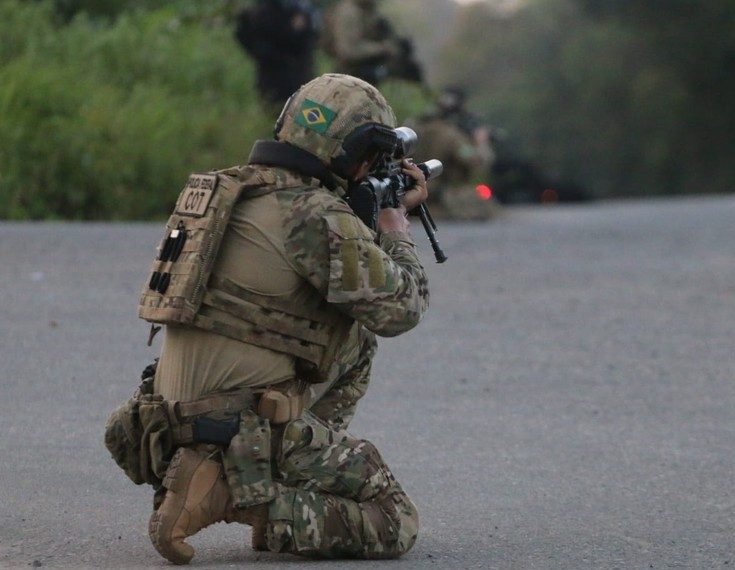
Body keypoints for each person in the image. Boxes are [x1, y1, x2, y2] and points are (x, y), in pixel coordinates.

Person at [106, 74, 430, 564]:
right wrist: (394, 228)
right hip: (231, 426)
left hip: (163, 422)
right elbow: (401, 308)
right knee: (394, 520)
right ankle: (248, 498)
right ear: (356, 154)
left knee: (353, 339)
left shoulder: (228, 190)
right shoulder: (315, 215)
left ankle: (235, 476)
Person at [412, 87, 499, 220]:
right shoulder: (451, 135)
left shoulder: (417, 129)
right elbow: (476, 162)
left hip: (415, 193)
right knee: (487, 206)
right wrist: (481, 142)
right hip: (444, 198)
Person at [235, 0, 319, 113]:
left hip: (297, 78)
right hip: (278, 78)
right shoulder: (262, 13)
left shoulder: (299, 10)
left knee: (313, 122)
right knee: (283, 118)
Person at [321, 0, 398, 85]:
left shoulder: (365, 9)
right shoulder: (349, 12)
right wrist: (382, 48)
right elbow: (348, 51)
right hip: (350, 76)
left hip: (358, 75)